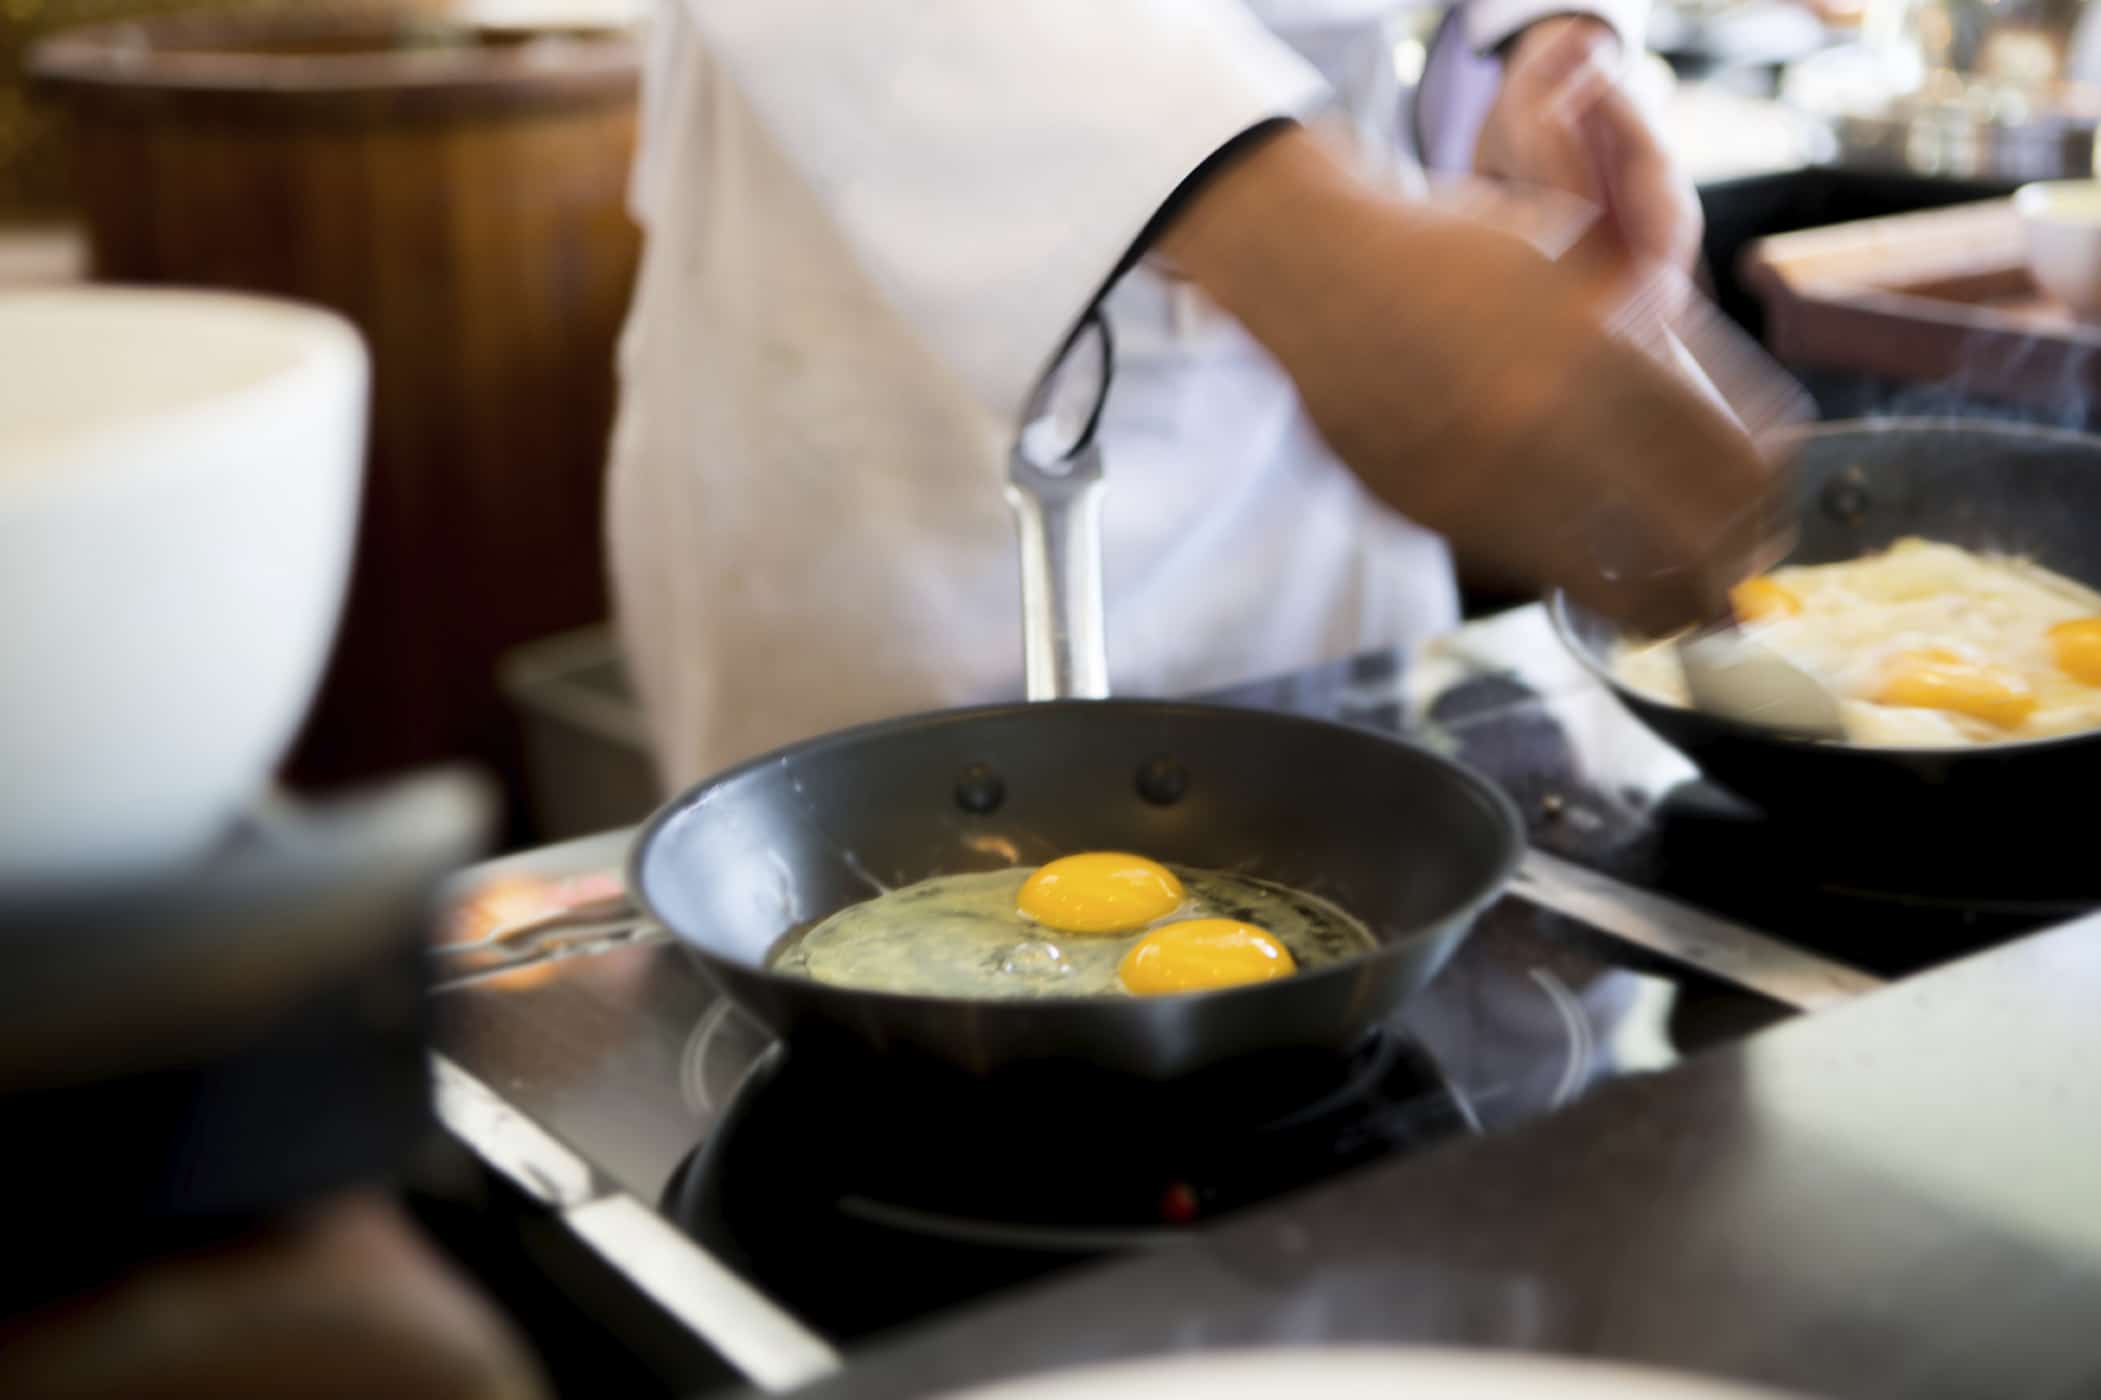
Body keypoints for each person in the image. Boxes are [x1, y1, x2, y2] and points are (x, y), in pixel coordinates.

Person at [608, 1, 1778, 786]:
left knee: (1358, 924)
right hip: (891, 410)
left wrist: (1548, 36)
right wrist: (1291, 235)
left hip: (1328, 441)